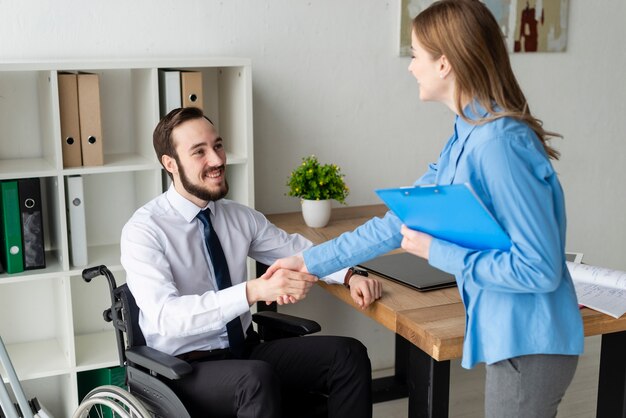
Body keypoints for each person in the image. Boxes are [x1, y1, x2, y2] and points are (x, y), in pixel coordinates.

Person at [264, 1, 584, 417]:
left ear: (445, 64)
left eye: (416, 55)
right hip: (510, 334)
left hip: (534, 340)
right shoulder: (466, 132)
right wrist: (307, 260)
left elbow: (539, 269)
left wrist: (438, 253)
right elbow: (397, 224)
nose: (411, 67)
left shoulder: (500, 145)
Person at [120, 106, 382, 418]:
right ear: (170, 163)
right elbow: (166, 317)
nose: (217, 160)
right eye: (199, 152)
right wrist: (253, 291)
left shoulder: (237, 216)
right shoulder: (144, 230)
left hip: (244, 352)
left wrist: (350, 274)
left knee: (347, 355)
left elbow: (295, 251)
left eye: (217, 145)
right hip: (182, 369)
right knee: (256, 380)